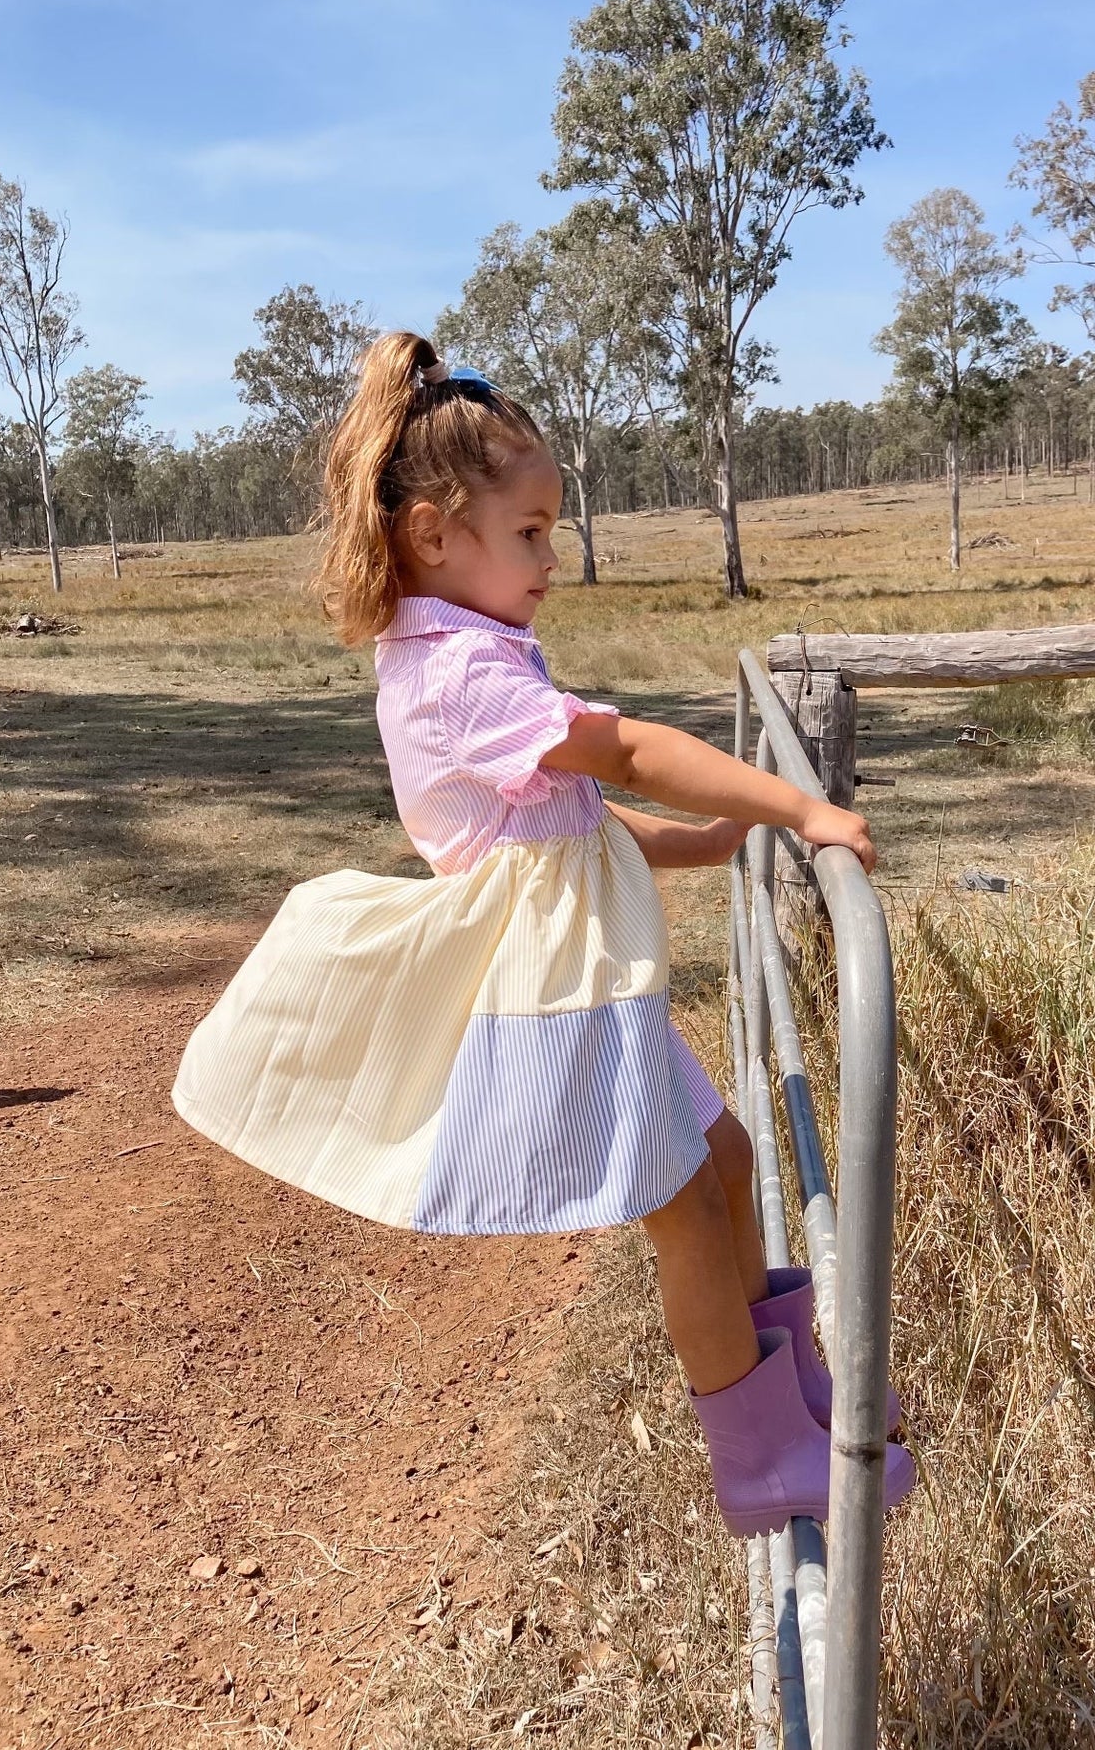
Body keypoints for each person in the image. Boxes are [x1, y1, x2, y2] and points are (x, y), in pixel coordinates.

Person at [173, 331, 913, 1537]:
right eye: (528, 531)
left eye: (549, 530)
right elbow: (615, 749)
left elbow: (565, 810)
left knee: (722, 1165)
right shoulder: (455, 674)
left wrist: (689, 845)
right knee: (680, 1208)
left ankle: (796, 1396)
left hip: (579, 964)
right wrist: (793, 803)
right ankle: (756, 1450)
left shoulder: (470, 650)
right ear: (430, 536)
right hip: (548, 980)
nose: (551, 560)